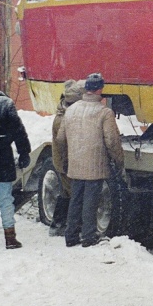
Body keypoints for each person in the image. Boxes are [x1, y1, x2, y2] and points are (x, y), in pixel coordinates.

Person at [54, 73, 124, 248]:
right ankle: (88, 236)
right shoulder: (104, 112)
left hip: (76, 163)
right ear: (100, 89)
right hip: (95, 164)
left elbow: (60, 138)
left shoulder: (71, 110)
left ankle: (70, 235)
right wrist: (118, 160)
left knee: (76, 198)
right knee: (91, 200)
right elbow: (111, 141)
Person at [0, 69, 31, 249]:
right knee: (5, 198)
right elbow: (18, 131)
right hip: (2, 158)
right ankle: (10, 237)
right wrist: (24, 152)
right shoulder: (5, 103)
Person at [49, 80, 85, 236]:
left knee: (66, 193)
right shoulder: (64, 118)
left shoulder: (63, 113)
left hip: (64, 161)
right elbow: (63, 144)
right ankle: (72, 228)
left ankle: (57, 225)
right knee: (73, 195)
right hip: (65, 162)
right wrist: (66, 164)